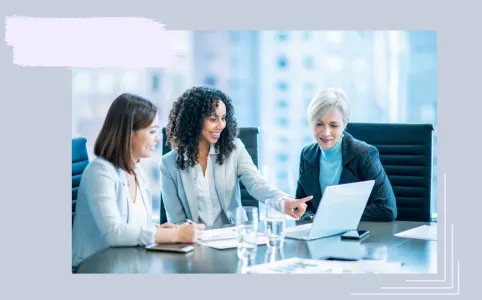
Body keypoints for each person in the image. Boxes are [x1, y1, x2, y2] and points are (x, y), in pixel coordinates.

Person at [72, 93, 204, 269]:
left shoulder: (137, 172)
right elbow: (115, 233)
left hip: (127, 264)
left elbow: (136, 227)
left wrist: (158, 229)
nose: (158, 137)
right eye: (152, 131)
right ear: (129, 134)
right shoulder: (100, 172)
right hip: (96, 267)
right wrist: (176, 235)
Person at [160, 86, 312, 227]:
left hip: (233, 236)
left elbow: (256, 184)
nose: (221, 125)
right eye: (213, 119)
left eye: (224, 118)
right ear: (193, 121)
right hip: (195, 243)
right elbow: (177, 220)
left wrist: (283, 202)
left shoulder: (234, 149)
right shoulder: (168, 164)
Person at [295, 88, 397, 222]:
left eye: (334, 125)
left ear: (345, 124)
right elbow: (302, 206)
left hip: (359, 236)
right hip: (320, 237)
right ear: (310, 122)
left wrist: (334, 216)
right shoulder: (307, 155)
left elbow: (386, 209)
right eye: (319, 124)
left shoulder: (364, 155)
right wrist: (311, 217)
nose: (326, 132)